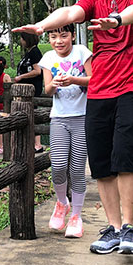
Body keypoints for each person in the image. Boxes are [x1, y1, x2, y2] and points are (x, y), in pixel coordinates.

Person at [13, 0, 133, 255]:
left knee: (125, 154)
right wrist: (40, 27)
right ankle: (114, 228)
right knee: (102, 163)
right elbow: (70, 12)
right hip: (100, 89)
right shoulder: (94, 1)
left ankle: (130, 229)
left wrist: (118, 19)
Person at [38, 24, 92, 238]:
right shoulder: (48, 59)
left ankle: (76, 217)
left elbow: (95, 79)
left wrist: (74, 80)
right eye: (53, 36)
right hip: (59, 118)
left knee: (77, 168)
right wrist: (57, 84)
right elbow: (47, 89)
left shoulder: (83, 52)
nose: (59, 41)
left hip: (82, 117)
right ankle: (62, 203)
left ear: (72, 35)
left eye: (63, 35)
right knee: (58, 164)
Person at [15, 32, 44, 153]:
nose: (21, 41)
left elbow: (37, 71)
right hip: (26, 88)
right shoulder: (29, 52)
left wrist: (22, 77)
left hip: (32, 88)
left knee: (33, 112)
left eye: (22, 38)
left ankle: (37, 144)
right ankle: (31, 142)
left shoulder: (35, 52)